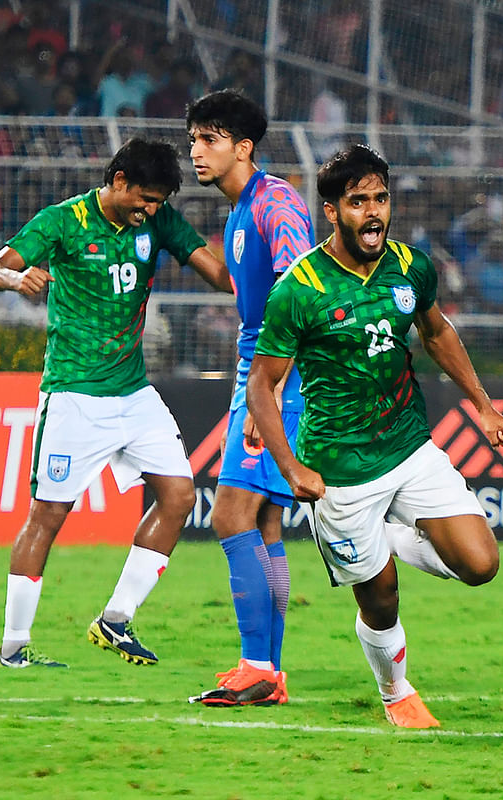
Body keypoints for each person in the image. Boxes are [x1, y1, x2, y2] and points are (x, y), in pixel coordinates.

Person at [246, 143, 503, 728]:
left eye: (381, 199)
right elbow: (262, 387)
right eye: (358, 201)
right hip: (338, 470)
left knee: (480, 563)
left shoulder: (412, 266)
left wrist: (484, 407)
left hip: (409, 445)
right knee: (382, 598)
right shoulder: (301, 288)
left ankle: (388, 539)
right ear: (332, 211)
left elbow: (437, 332)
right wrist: (291, 468)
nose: (373, 212)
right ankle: (396, 693)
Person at [0, 138, 232, 668]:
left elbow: (220, 275)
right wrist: (16, 276)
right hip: (73, 395)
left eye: (159, 201)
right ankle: (13, 645)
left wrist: (271, 275)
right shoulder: (63, 221)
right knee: (48, 515)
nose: (151, 209)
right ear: (117, 180)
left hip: (135, 392)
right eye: (144, 198)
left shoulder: (157, 223)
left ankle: (115, 620)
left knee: (180, 495)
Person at [184, 90, 314, 707]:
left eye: (209, 140)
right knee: (264, 524)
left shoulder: (276, 200)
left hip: (274, 376)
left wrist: (273, 394)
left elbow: (300, 291)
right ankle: (268, 672)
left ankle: (258, 665)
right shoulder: (239, 210)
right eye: (193, 140)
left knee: (228, 514)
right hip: (259, 372)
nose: (196, 152)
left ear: (243, 147)